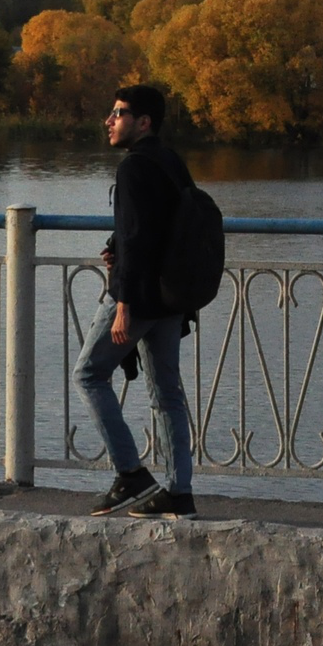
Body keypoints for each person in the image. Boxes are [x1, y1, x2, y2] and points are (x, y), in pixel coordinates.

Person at [77, 83, 198, 517]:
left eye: (119, 113)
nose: (109, 120)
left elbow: (136, 238)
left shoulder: (132, 168)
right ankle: (179, 494)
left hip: (139, 295)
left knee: (89, 374)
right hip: (171, 297)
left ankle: (130, 474)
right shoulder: (171, 161)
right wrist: (119, 245)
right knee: (167, 392)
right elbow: (160, 228)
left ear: (143, 122)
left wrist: (124, 306)